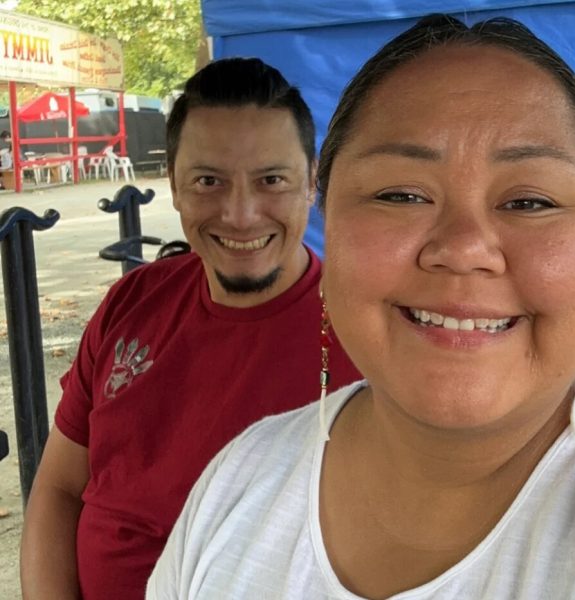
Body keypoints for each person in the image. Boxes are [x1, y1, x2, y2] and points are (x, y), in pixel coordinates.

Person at [148, 15, 575, 599]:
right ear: (328, 225)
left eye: (530, 202)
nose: (463, 249)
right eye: (401, 195)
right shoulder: (241, 479)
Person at [20, 58, 361, 599]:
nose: (241, 214)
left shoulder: (368, 333)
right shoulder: (133, 300)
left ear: (313, 183)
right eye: (208, 181)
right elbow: (59, 489)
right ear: (173, 187)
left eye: (271, 180)